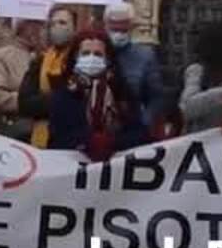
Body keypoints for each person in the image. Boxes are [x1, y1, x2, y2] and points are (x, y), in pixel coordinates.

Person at [45, 29, 147, 160]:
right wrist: (88, 141)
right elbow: (56, 142)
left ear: (108, 59)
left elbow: (140, 134)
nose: (91, 58)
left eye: (98, 54)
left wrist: (111, 142)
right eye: (86, 53)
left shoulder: (122, 93)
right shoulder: (63, 95)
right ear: (76, 56)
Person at [18, 5, 83, 147]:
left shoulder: (81, 61)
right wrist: (58, 100)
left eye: (62, 23)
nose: (57, 27)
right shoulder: (40, 61)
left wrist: (50, 101)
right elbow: (25, 103)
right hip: (42, 138)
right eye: (53, 24)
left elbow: (77, 105)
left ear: (75, 28)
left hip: (72, 141)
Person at [103, 2, 165, 134]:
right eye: (114, 29)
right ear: (106, 26)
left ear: (132, 27)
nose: (118, 34)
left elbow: (156, 97)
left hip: (131, 129)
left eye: (123, 30)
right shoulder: (95, 51)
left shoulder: (145, 56)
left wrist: (143, 124)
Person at [0, 19, 43, 139]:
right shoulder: (3, 55)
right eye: (37, 24)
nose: (41, 29)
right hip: (16, 133)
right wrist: (29, 101)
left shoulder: (49, 57)